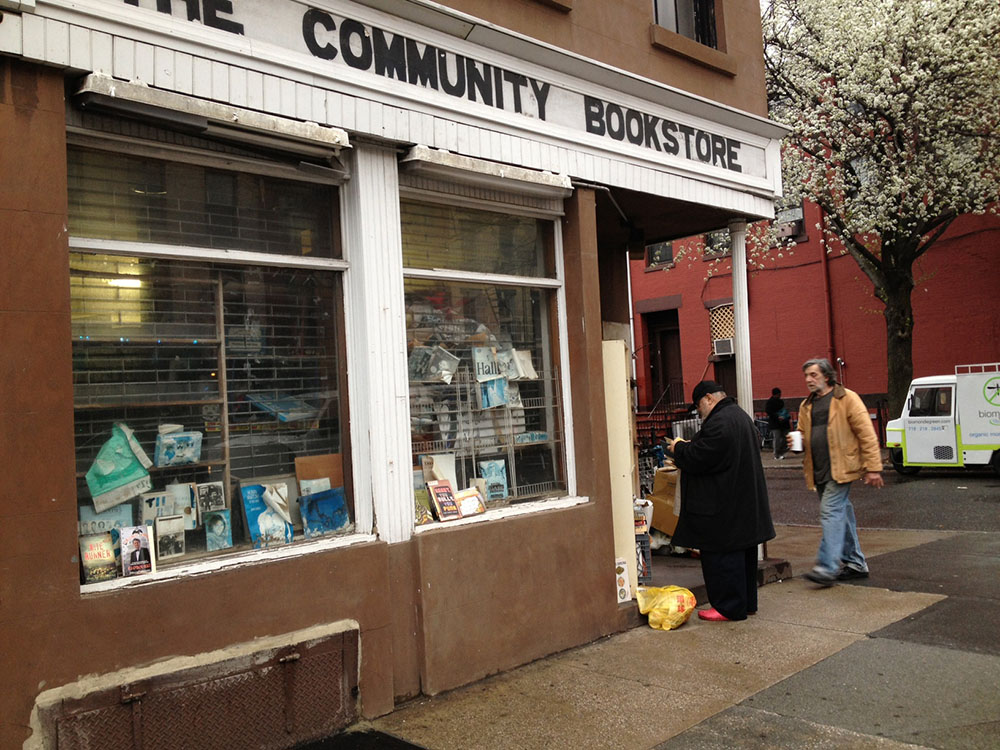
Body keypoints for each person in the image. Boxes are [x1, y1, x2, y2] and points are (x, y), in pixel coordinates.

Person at [664, 381, 775, 621]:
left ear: (707, 399)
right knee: (743, 557)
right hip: (741, 501)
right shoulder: (740, 416)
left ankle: (727, 606)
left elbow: (701, 456)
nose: (699, 412)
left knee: (722, 557)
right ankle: (745, 603)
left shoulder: (720, 422)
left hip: (722, 504)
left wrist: (679, 447)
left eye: (698, 406)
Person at [792, 358, 884, 587]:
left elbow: (866, 433)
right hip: (819, 470)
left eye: (813, 375)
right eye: (806, 376)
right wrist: (798, 441)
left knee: (830, 512)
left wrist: (873, 467)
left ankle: (827, 566)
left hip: (842, 468)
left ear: (826, 376)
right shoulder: (807, 405)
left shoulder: (846, 398)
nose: (808, 380)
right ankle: (855, 563)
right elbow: (803, 434)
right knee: (842, 514)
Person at [765, 387, 791, 459]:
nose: (780, 395)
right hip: (776, 424)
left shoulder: (778, 402)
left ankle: (780, 452)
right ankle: (777, 454)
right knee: (778, 439)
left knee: (783, 439)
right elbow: (769, 411)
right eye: (779, 394)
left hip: (780, 424)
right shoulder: (771, 402)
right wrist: (778, 417)